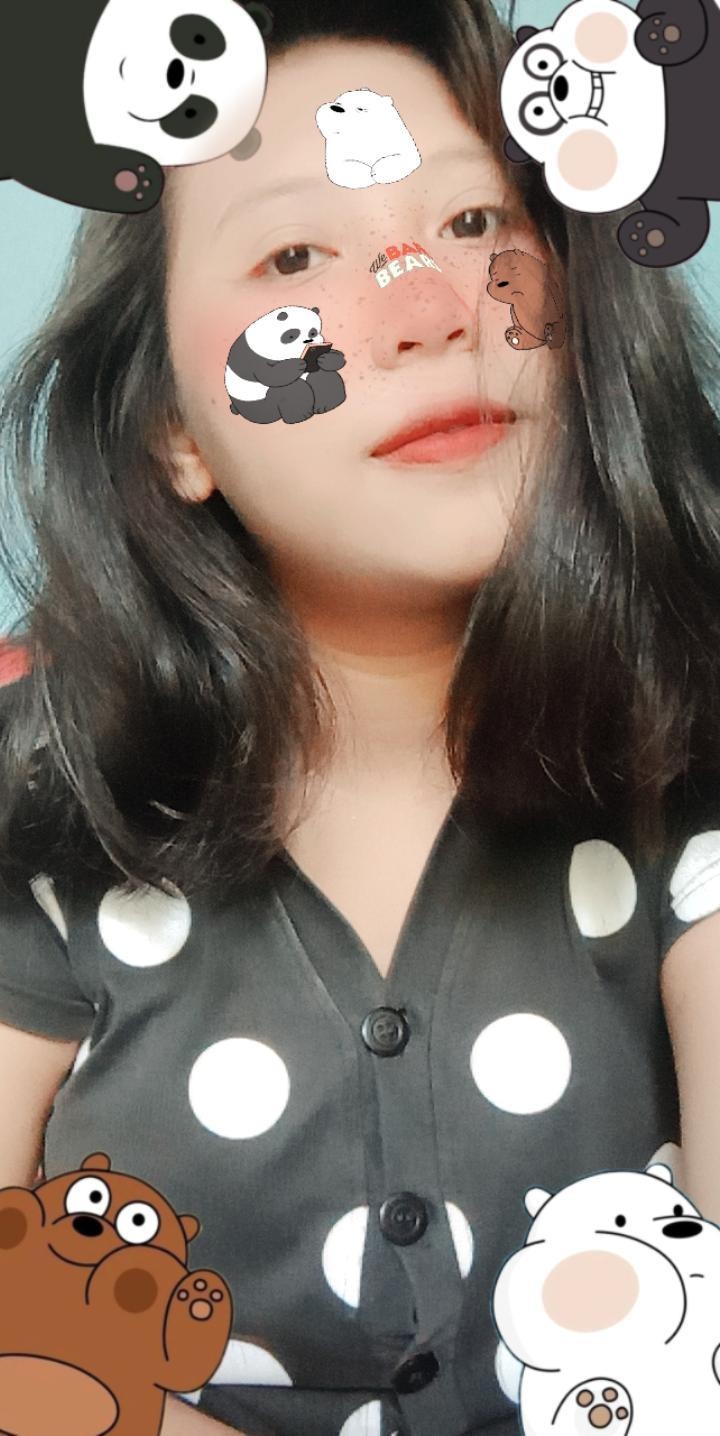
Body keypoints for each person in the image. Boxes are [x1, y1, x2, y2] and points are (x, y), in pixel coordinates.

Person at [1, 1, 720, 1433]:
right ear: (175, 431)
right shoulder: (46, 801)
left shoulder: (684, 770)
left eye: (475, 222)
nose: (430, 307)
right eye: (292, 257)